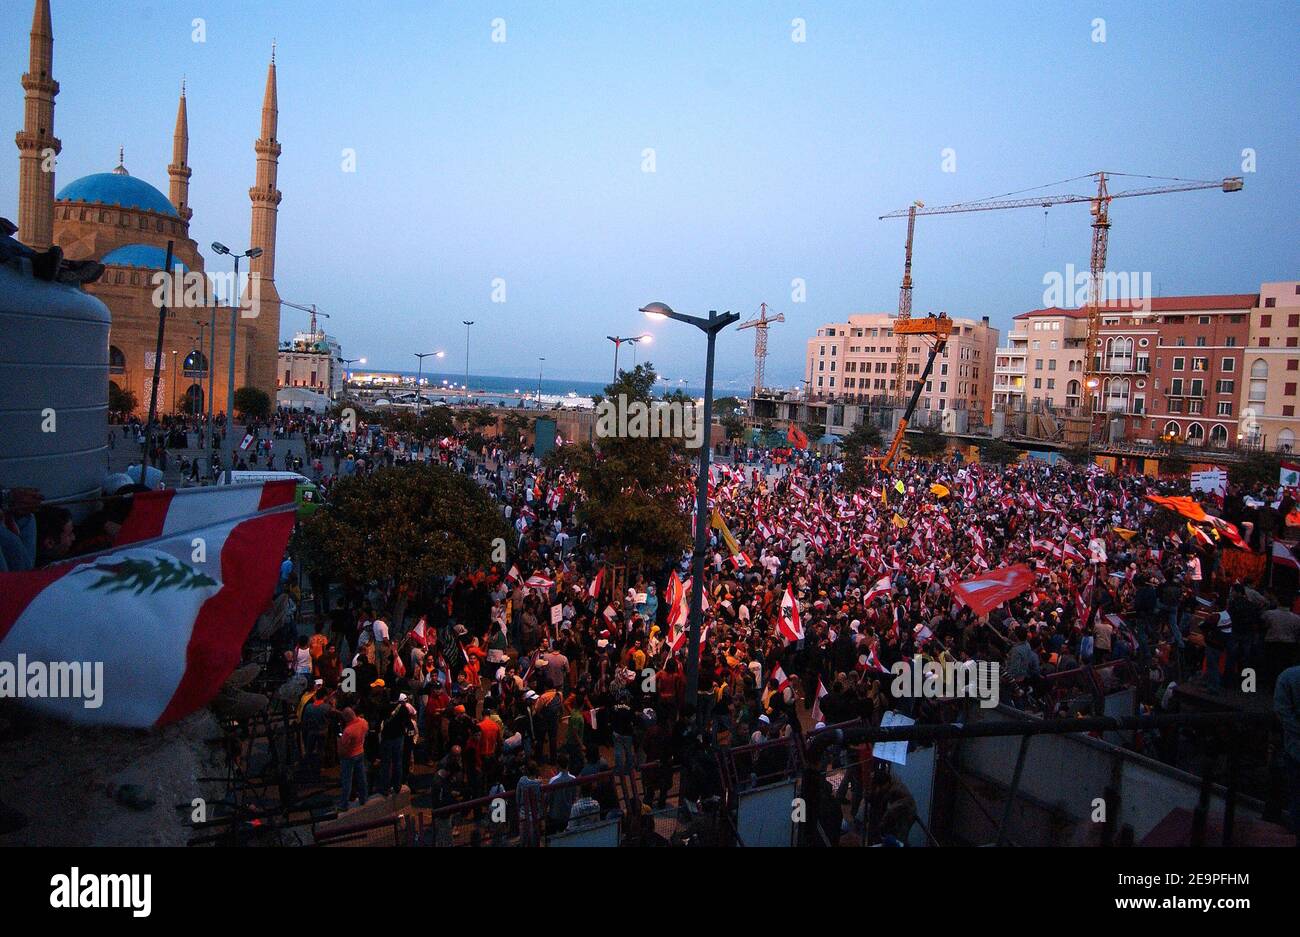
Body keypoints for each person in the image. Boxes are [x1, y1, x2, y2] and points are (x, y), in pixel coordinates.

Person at [336, 707, 369, 812]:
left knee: (347, 780)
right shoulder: (364, 722)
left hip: (349, 756)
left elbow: (342, 749)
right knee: (362, 777)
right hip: (360, 752)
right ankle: (364, 798)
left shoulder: (348, 731)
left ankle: (344, 804)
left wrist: (339, 741)